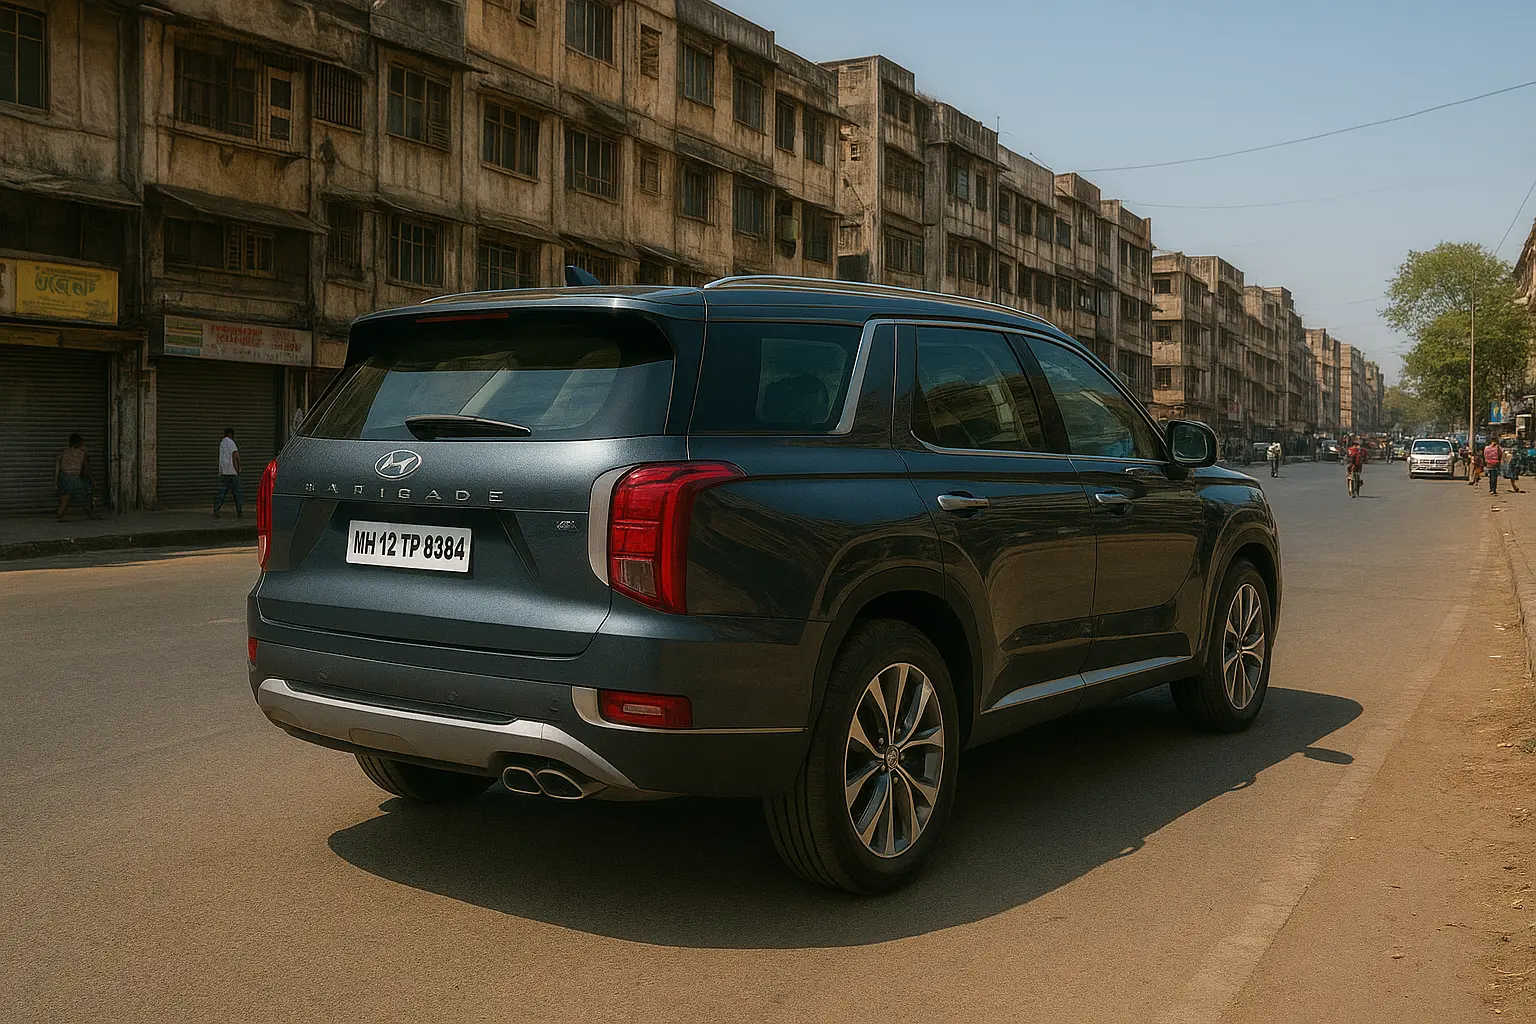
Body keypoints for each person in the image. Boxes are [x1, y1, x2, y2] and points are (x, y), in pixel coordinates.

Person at [54, 433, 100, 521]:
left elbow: (57, 470)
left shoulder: (63, 453)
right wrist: (92, 480)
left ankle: (60, 513)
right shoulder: (82, 454)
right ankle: (92, 514)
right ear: (79, 444)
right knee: (86, 496)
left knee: (65, 498)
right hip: (77, 480)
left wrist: (56, 482)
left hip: (64, 480)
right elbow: (87, 469)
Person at [214, 427, 243, 518]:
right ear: (231, 434)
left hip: (223, 472)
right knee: (237, 494)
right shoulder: (231, 442)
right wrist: (238, 468)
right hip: (232, 472)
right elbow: (236, 455)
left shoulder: (222, 443)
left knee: (221, 493)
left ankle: (216, 511)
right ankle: (239, 512)